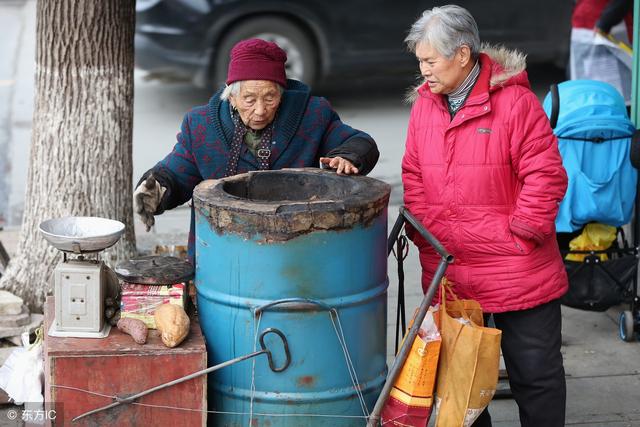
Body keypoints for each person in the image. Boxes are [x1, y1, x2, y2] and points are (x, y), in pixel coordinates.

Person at [402, 5, 568, 427]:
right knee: (461, 380)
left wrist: (524, 233)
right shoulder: (425, 106)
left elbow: (546, 175)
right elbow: (414, 174)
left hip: (516, 264)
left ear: (462, 55)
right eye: (419, 61)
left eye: (429, 61)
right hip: (450, 265)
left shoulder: (515, 103)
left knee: (535, 373)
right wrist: (429, 236)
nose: (423, 71)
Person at [133, 38, 379, 263]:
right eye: (249, 99)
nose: (260, 110)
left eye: (270, 98)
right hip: (223, 250)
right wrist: (157, 188)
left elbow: (359, 142)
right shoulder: (201, 125)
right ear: (231, 97)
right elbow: (177, 171)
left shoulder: (311, 115)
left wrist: (347, 157)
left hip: (297, 250)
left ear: (281, 95)